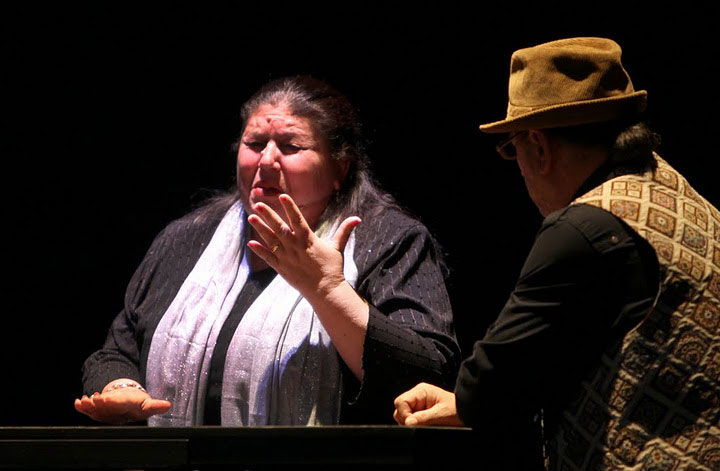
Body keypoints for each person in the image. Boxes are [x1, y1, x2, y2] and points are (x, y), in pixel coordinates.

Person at [394, 37, 720, 471]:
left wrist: (467, 400)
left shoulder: (581, 228)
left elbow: (490, 383)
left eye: (512, 148)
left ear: (538, 146)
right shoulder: (689, 200)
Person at [75, 75, 460, 426]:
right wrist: (120, 387)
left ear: (340, 168)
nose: (267, 160)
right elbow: (117, 350)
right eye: (255, 144)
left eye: (291, 147)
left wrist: (328, 291)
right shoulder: (186, 239)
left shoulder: (390, 239)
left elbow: (428, 376)